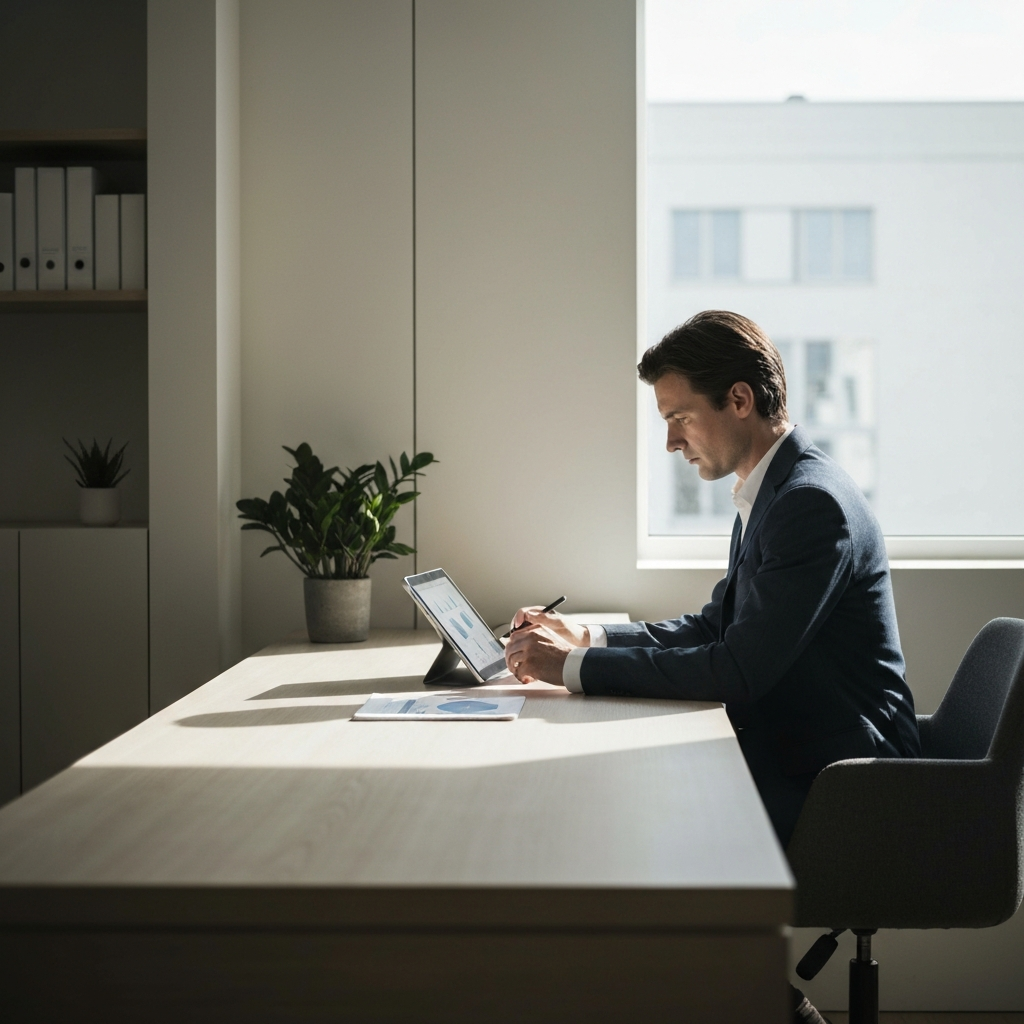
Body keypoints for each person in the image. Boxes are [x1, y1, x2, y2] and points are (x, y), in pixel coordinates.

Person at [504, 310, 921, 1024]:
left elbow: (736, 670)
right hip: (803, 751)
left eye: (679, 417)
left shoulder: (809, 505)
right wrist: (593, 638)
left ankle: (762, 1002)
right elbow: (714, 626)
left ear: (738, 400)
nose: (670, 441)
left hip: (847, 784)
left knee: (636, 842)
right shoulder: (774, 493)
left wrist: (571, 669)